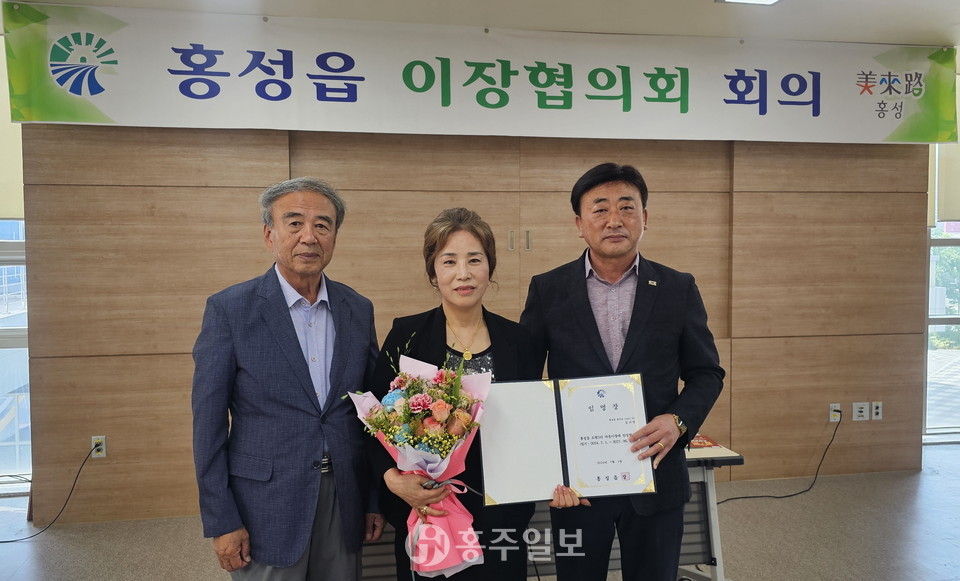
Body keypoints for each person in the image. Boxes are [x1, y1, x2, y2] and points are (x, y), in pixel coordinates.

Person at [520, 163, 725, 581]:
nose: (614, 220)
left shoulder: (678, 288)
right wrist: (546, 465)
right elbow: (524, 382)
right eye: (600, 209)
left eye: (626, 207)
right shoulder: (548, 289)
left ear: (644, 218)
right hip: (577, 485)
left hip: (656, 476)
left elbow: (707, 372)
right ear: (579, 224)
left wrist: (678, 420)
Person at [369, 207, 583, 581]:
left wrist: (557, 475)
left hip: (502, 513)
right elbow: (375, 422)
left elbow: (532, 424)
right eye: (449, 261)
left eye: (474, 260)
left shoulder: (521, 341)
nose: (463, 273)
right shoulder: (408, 335)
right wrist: (391, 478)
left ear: (489, 266)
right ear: (433, 272)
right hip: (430, 510)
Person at [192, 177, 384, 580]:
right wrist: (221, 519)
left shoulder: (357, 309)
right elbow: (208, 425)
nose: (309, 236)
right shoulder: (230, 310)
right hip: (265, 503)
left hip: (344, 496)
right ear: (269, 234)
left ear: (335, 236)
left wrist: (373, 499)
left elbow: (371, 415)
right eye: (294, 223)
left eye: (322, 225)